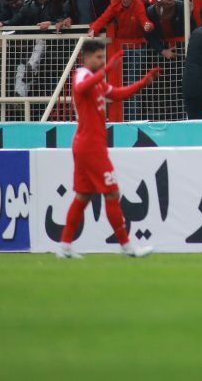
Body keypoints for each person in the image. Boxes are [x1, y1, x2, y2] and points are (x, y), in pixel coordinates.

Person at [57, 40, 159, 259]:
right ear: (86, 57)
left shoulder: (97, 82)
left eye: (104, 57)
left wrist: (143, 82)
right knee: (112, 192)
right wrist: (107, 69)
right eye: (98, 57)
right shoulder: (82, 75)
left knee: (83, 196)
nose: (102, 61)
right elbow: (80, 88)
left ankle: (64, 246)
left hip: (87, 145)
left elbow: (119, 94)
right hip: (91, 146)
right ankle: (126, 246)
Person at [88, 0, 153, 38]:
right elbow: (104, 18)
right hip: (121, 39)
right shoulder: (115, 3)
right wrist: (94, 29)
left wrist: (148, 26)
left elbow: (143, 19)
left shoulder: (138, 4)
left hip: (137, 41)